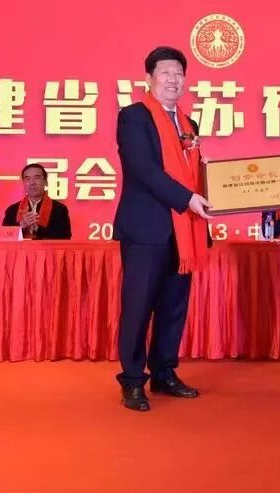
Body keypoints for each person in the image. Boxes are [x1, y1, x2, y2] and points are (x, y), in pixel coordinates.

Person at [113, 46, 211, 412]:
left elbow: (193, 173)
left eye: (179, 74)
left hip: (183, 230)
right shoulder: (134, 117)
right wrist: (187, 198)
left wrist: (213, 183)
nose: (173, 79)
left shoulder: (189, 124)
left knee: (173, 306)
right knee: (138, 306)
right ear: (149, 78)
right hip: (146, 228)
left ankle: (165, 372)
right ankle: (132, 380)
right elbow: (144, 170)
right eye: (165, 73)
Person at [2, 164, 72, 239]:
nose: (32, 183)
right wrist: (21, 226)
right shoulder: (12, 210)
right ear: (23, 183)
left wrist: (37, 228)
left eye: (37, 177)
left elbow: (65, 237)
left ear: (45, 181)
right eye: (27, 178)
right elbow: (3, 237)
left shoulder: (59, 209)